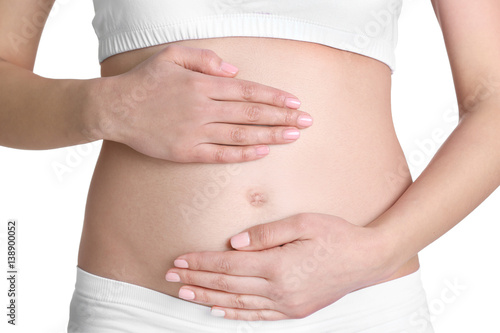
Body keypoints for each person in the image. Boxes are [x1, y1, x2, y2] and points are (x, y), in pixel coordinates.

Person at [1, 0, 498, 332]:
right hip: (137, 310)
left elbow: (493, 102)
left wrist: (380, 249)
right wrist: (106, 107)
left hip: (360, 303)